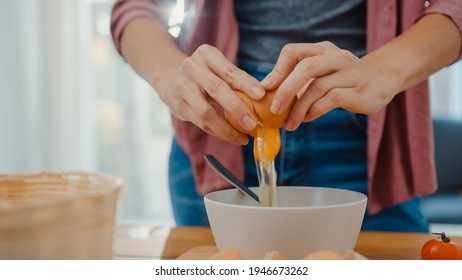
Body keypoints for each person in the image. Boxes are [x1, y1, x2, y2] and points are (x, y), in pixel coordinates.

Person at [111, 0, 462, 231]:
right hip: (219, 128)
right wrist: (170, 75)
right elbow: (136, 8)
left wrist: (385, 70)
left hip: (368, 136)